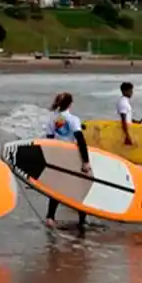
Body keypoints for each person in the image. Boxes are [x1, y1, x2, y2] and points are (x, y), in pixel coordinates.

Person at [43, 92, 91, 231]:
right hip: (71, 156)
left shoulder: (52, 119)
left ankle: (50, 217)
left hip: (57, 155)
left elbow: (50, 139)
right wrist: (85, 161)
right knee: (80, 186)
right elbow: (80, 140)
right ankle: (82, 220)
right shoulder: (73, 119)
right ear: (70, 104)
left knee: (57, 186)